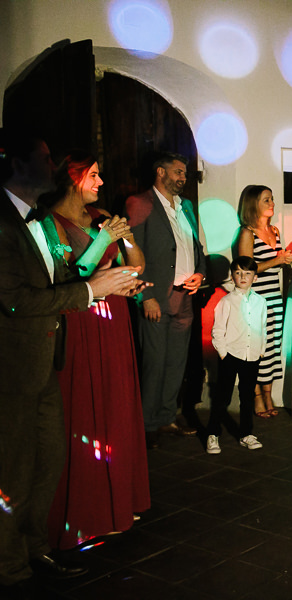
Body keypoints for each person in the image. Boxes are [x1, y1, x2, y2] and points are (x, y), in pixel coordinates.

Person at [1, 130, 146, 594]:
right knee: (13, 473)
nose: (53, 168)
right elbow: (15, 301)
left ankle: (35, 549)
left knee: (47, 463)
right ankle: (10, 570)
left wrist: (106, 276)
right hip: (14, 365)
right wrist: (91, 290)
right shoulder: (3, 223)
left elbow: (65, 275)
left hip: (48, 356)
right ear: (16, 165)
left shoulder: (39, 221)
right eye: (44, 159)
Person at [43, 152, 151, 550]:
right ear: (73, 179)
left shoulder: (104, 215)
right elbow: (72, 277)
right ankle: (87, 510)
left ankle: (119, 500)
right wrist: (104, 241)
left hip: (116, 321)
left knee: (115, 407)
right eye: (94, 175)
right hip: (81, 322)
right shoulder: (50, 224)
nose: (101, 182)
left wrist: (125, 241)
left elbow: (135, 265)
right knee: (85, 412)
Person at [125, 152, 206, 449]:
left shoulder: (186, 207)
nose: (183, 178)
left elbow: (196, 246)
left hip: (185, 296)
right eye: (178, 172)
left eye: (184, 173)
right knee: (154, 363)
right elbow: (131, 254)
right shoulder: (139, 204)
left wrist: (200, 272)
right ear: (160, 172)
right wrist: (145, 296)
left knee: (175, 363)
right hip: (156, 297)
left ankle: (166, 417)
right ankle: (146, 426)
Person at [235, 185, 292, 418]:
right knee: (257, 348)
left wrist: (289, 259)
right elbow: (245, 269)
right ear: (253, 204)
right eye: (266, 200)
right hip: (255, 298)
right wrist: (276, 260)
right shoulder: (247, 233)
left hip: (274, 296)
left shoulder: (275, 231)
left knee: (271, 348)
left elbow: (276, 261)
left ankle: (269, 395)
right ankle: (256, 398)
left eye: (272, 199)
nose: (272, 203)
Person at [206, 256, 268, 454]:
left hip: (252, 355)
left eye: (247, 273)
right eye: (239, 273)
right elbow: (218, 330)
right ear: (232, 276)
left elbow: (263, 327)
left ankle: (246, 434)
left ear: (255, 277)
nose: (243, 277)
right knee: (223, 397)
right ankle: (213, 434)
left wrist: (261, 349)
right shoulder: (226, 302)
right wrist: (224, 353)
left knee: (247, 396)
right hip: (231, 354)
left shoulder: (260, 301)